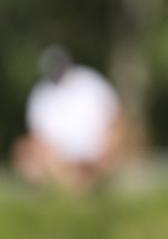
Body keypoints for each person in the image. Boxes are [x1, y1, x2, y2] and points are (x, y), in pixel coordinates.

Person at [13, 45, 130, 193]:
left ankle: (83, 184)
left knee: (118, 136)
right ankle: (76, 187)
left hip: (97, 151)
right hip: (59, 158)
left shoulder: (90, 81)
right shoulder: (40, 94)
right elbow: (37, 136)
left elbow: (116, 117)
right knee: (24, 150)